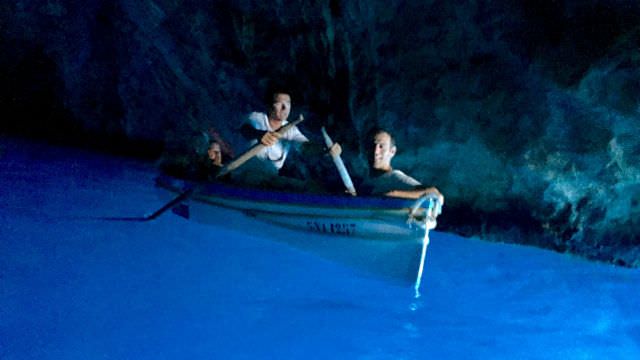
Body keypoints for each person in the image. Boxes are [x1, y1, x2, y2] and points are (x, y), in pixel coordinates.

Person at [358, 129, 444, 204]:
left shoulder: (395, 177)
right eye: (372, 146)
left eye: (381, 146)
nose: (375, 152)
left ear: (392, 151)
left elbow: (436, 194)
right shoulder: (367, 181)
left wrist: (393, 194)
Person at [239, 91, 309, 176]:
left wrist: (323, 149)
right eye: (279, 103)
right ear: (269, 106)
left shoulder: (292, 131)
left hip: (269, 180)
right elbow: (245, 130)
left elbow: (306, 147)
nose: (285, 108)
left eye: (288, 103)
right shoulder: (255, 117)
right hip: (244, 176)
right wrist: (258, 134)